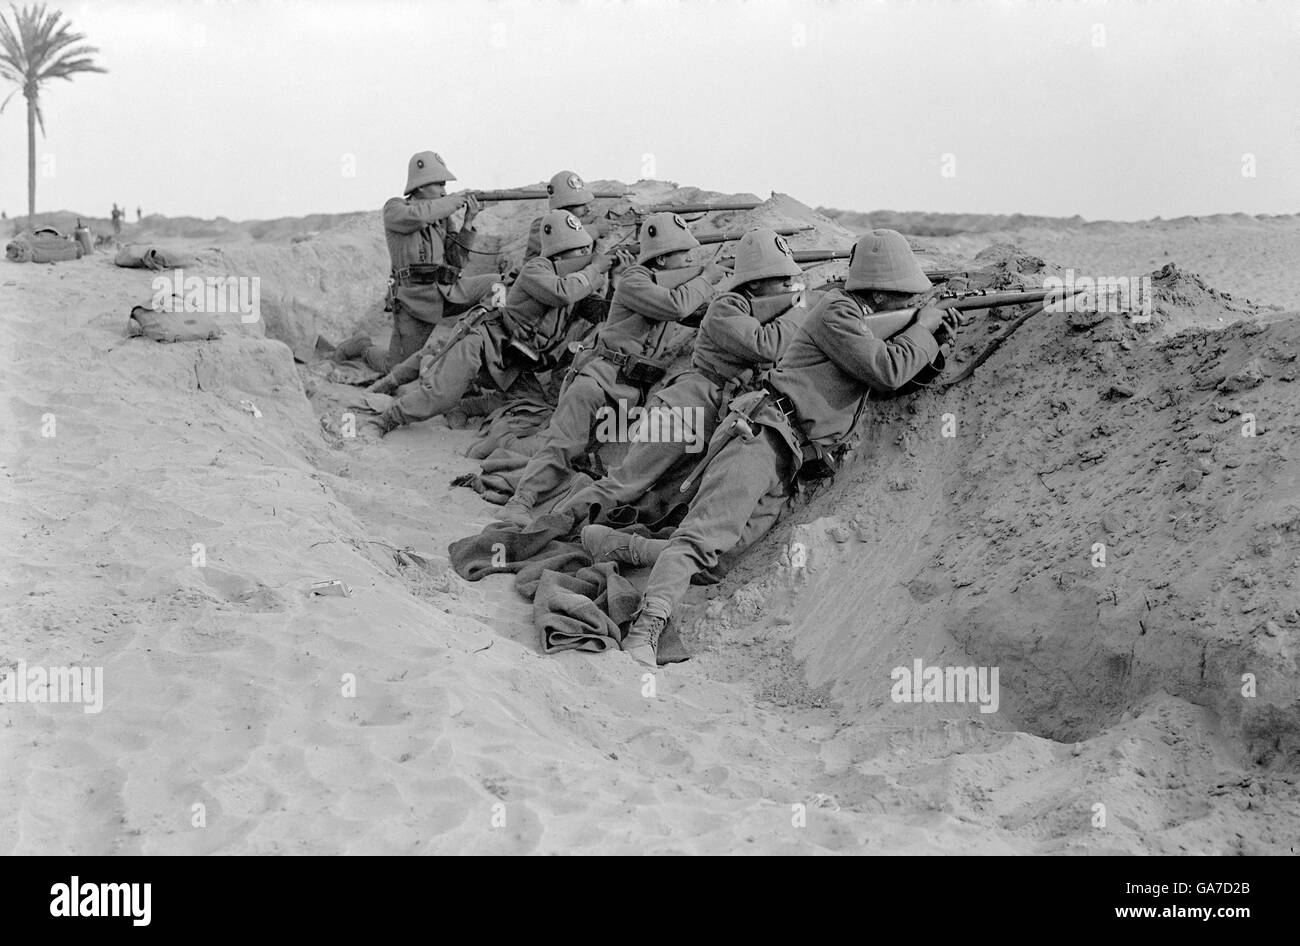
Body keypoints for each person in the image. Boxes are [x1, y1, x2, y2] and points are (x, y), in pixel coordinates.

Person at [618, 229, 962, 666]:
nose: (913, 307)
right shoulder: (836, 311)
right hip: (760, 438)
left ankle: (621, 546)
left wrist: (934, 345)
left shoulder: (858, 320)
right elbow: (887, 369)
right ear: (876, 294)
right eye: (905, 299)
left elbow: (890, 384)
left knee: (718, 563)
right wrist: (924, 330)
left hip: (790, 458)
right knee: (700, 542)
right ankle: (645, 631)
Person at [556, 227, 809, 531]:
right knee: (624, 485)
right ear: (754, 283)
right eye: (783, 280)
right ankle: (543, 530)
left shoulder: (760, 310)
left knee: (659, 500)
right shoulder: (726, 307)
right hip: (681, 412)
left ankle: (589, 533)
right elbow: (765, 344)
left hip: (707, 420)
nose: (790, 287)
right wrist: (802, 310)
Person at [496, 211, 730, 524]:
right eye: (682, 255)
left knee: (599, 463)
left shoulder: (668, 287)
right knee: (562, 448)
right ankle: (519, 503)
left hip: (632, 391)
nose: (689, 260)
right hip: (597, 381)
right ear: (660, 261)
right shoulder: (634, 280)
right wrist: (706, 278)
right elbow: (676, 306)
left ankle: (561, 507)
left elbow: (696, 313)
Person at [360, 209, 619, 438]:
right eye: (582, 250)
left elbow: (603, 314)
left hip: (514, 359)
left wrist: (615, 282)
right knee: (440, 395)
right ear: (560, 252)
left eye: (589, 250)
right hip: (483, 342)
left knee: (532, 404)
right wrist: (595, 268)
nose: (588, 254)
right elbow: (563, 292)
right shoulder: (537, 269)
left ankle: (465, 407)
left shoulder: (578, 281)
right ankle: (384, 420)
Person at [334, 151, 500, 372]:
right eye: (439, 185)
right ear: (421, 186)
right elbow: (419, 216)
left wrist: (468, 223)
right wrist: (453, 201)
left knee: (499, 283)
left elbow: (455, 261)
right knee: (396, 368)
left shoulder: (442, 216)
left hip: (447, 291)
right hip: (415, 300)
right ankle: (363, 347)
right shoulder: (395, 208)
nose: (444, 191)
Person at [522, 170, 609, 261]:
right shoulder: (541, 226)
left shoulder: (583, 225)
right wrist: (597, 230)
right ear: (566, 205)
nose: (587, 209)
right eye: (581, 204)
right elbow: (565, 237)